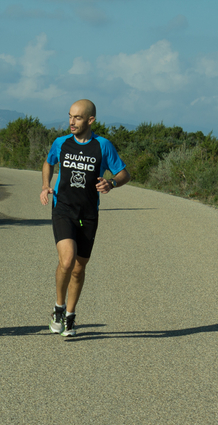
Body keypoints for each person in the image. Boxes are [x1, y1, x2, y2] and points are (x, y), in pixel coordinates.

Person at [40, 99, 131, 336]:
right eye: (70, 116)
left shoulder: (103, 146)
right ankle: (58, 309)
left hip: (89, 214)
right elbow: (48, 163)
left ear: (90, 120)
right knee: (67, 261)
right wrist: (44, 186)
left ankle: (70, 316)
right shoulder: (60, 143)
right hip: (63, 208)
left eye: (77, 118)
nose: (71, 122)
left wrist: (111, 183)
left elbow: (124, 173)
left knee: (79, 268)